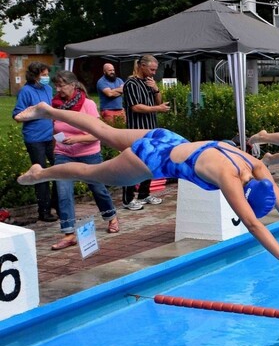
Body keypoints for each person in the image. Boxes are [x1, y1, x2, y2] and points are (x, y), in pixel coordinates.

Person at [15, 103, 279, 293]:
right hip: (151, 160)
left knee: (104, 131)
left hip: (167, 137)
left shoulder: (255, 165)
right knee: (92, 174)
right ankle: (41, 174)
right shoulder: (228, 179)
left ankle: (46, 110)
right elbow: (254, 225)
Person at [49, 71, 120, 250]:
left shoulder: (87, 104)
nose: (58, 90)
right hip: (63, 154)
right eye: (56, 86)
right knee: (63, 192)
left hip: (89, 153)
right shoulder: (56, 105)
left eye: (61, 86)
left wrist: (77, 139)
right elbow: (55, 128)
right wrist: (57, 144)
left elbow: (98, 133)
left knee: (98, 188)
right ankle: (69, 233)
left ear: (73, 85)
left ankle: (111, 216)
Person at [12, 61, 59, 222]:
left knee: (59, 169)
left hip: (50, 135)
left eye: (47, 74)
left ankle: (57, 204)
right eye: (44, 75)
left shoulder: (48, 89)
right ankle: (44, 210)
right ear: (35, 76)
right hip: (34, 138)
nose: (47, 78)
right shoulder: (25, 91)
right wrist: (35, 113)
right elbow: (17, 114)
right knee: (41, 172)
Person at [122, 55, 170, 210]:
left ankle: (144, 193)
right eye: (152, 69)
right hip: (136, 130)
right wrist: (158, 109)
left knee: (149, 162)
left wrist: (155, 89)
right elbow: (135, 107)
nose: (154, 73)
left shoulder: (149, 82)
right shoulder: (131, 83)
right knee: (132, 164)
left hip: (150, 129)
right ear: (142, 66)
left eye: (155, 70)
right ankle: (128, 199)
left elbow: (158, 101)